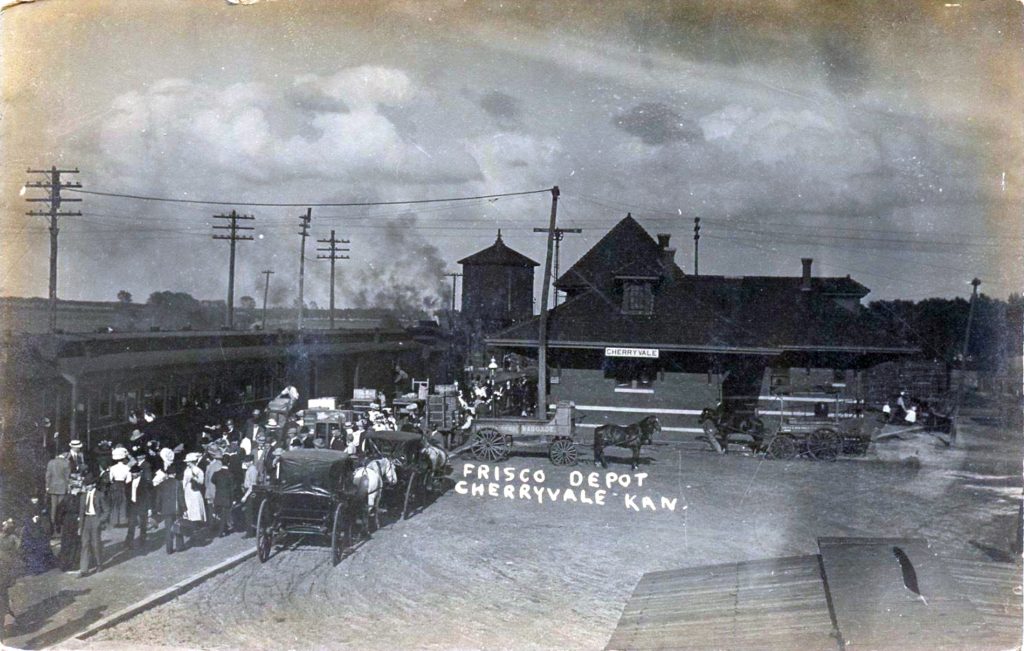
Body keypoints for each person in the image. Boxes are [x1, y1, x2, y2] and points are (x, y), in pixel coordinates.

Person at [76, 473, 106, 576]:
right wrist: (80, 526)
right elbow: (81, 512)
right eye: (85, 485)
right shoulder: (83, 496)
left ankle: (99, 564)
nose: (86, 487)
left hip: (95, 519)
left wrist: (99, 520)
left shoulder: (100, 495)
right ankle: (83, 569)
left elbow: (107, 511)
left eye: (88, 485)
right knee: (84, 544)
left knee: (95, 544)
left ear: (93, 485)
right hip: (86, 521)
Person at [152, 460, 184, 554]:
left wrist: (158, 509)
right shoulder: (178, 483)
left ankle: (169, 549)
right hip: (177, 509)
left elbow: (158, 498)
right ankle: (179, 546)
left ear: (167, 474)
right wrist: (185, 508)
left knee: (168, 529)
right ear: (174, 474)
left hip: (166, 510)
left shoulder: (162, 484)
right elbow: (180, 497)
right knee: (178, 526)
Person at [0, 518, 23, 640]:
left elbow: (20, 548)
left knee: (3, 596)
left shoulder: (11, 538)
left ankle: (8, 620)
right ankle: (8, 619)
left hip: (4, 569)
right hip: (5, 568)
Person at [20, 497, 55, 575]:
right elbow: (25, 519)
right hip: (31, 531)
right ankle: (34, 568)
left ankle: (39, 567)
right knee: (32, 550)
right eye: (33, 498)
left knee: (39, 549)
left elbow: (45, 518)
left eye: (36, 498)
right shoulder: (28, 508)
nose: (35, 500)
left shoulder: (41, 507)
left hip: (39, 531)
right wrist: (32, 520)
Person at [125, 449, 152, 549]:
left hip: (142, 505)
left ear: (140, 473)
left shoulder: (144, 483)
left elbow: (148, 496)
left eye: (135, 473)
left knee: (143, 525)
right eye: (132, 473)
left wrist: (149, 508)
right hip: (133, 505)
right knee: (131, 524)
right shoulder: (129, 484)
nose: (133, 475)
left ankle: (142, 541)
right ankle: (128, 542)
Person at [45, 451, 71, 533]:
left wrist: (47, 486)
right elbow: (67, 477)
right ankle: (58, 525)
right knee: (60, 507)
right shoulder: (66, 463)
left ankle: (52, 525)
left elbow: (48, 475)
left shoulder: (51, 462)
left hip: (52, 487)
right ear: (65, 455)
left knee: (53, 507)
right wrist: (68, 487)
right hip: (62, 487)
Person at [182, 453, 207, 536]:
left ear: (192, 461)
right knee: (190, 509)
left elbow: (201, 482)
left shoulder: (198, 470)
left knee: (196, 509)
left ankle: (198, 526)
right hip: (188, 491)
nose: (187, 463)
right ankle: (193, 526)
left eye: (188, 462)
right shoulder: (186, 470)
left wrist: (194, 478)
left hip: (195, 491)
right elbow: (184, 481)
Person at [107, 446, 132, 527]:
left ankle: (114, 521)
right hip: (123, 485)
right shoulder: (127, 468)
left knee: (114, 503)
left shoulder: (112, 468)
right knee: (123, 503)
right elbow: (129, 480)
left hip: (114, 485)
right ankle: (122, 521)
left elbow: (110, 479)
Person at [210, 459, 235, 537]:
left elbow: (212, 481)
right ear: (228, 463)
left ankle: (223, 529)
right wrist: (233, 499)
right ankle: (222, 531)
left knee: (220, 514)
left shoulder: (216, 474)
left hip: (218, 496)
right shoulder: (230, 474)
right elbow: (232, 488)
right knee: (225, 514)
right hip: (227, 497)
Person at [239, 455, 259, 538]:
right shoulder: (249, 469)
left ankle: (250, 532)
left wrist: (245, 496)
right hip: (247, 490)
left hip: (251, 493)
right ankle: (250, 531)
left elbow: (253, 485)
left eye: (247, 462)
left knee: (249, 514)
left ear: (251, 462)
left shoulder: (253, 470)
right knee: (247, 513)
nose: (245, 463)